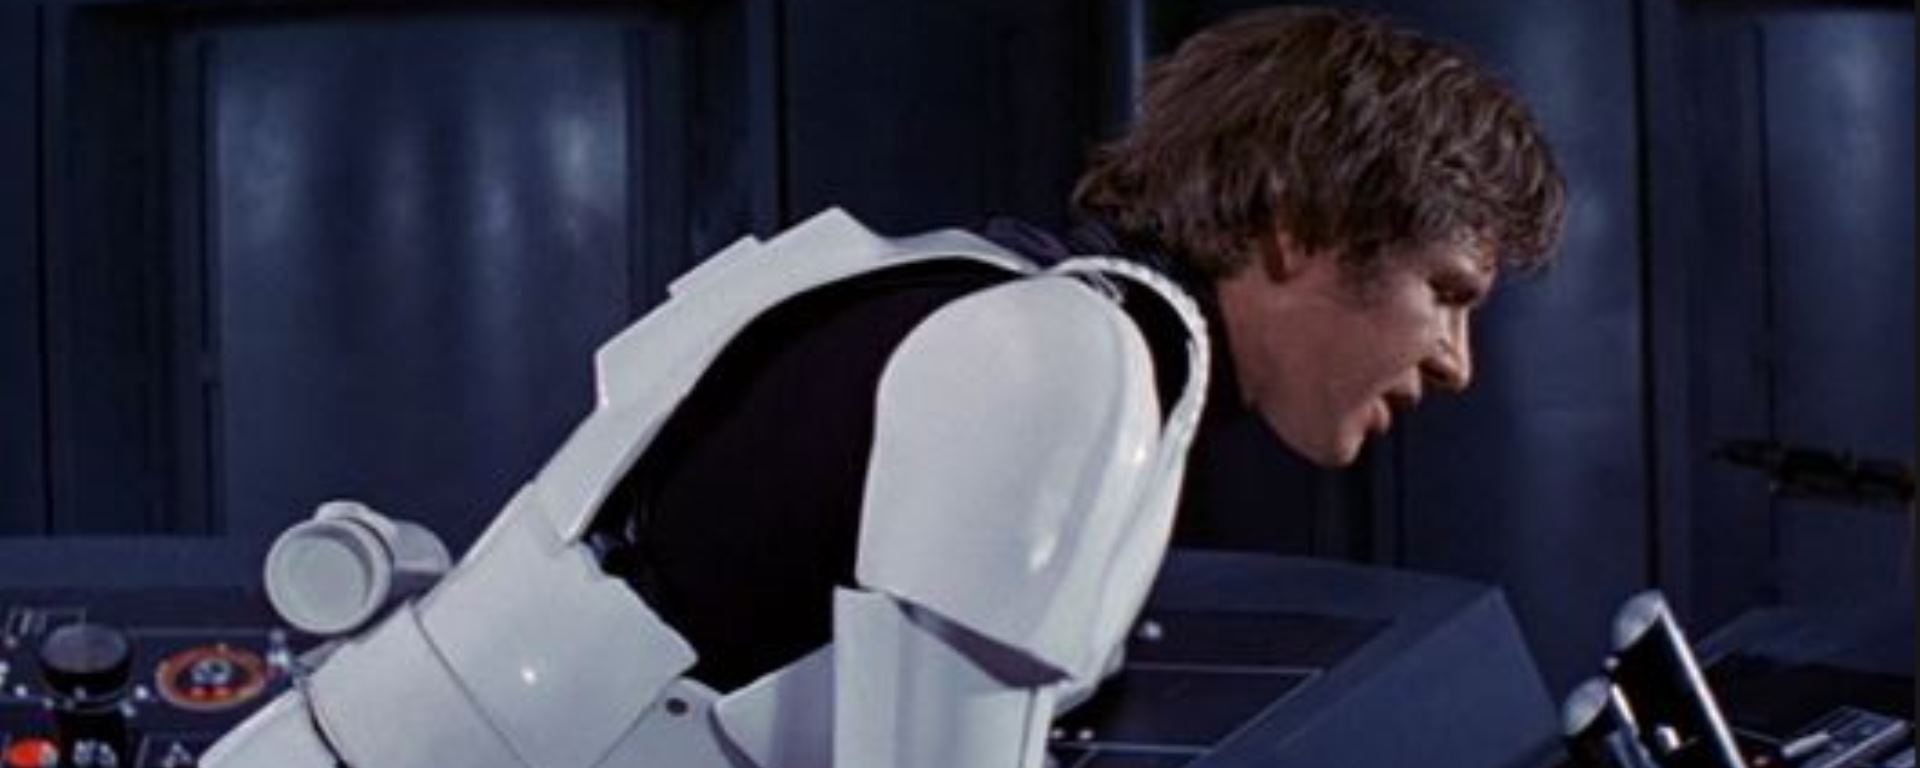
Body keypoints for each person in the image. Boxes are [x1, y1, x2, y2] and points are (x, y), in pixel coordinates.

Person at [202, 7, 1565, 768]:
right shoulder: (1068, 361)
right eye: (1446, 291)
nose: (1454, 361)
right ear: (1296, 228)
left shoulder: (1000, 305)